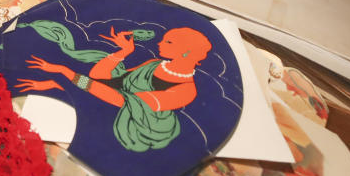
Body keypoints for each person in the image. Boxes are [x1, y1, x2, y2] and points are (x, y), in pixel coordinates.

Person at [15, 26, 212, 151]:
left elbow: (122, 101)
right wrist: (125, 52)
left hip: (132, 122)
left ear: (187, 51)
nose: (160, 42)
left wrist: (66, 77)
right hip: (105, 95)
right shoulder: (155, 63)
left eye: (168, 41)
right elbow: (103, 78)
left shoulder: (185, 91)